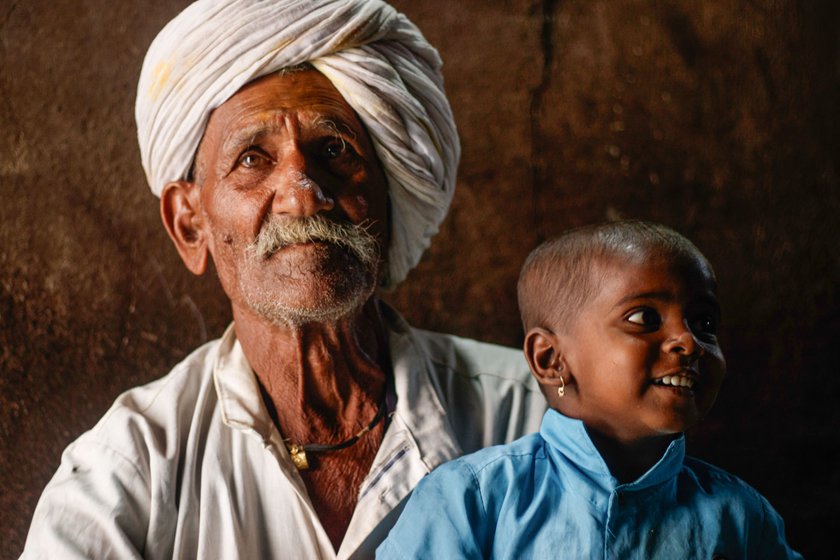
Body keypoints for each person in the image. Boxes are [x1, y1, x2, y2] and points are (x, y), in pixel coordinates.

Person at [21, 1, 546, 558]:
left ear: (389, 202)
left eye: (334, 150)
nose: (302, 193)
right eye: (252, 159)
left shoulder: (531, 420)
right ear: (190, 224)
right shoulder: (129, 473)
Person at [378, 221, 803, 559]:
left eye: (703, 323)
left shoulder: (741, 517)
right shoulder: (471, 500)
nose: (688, 342)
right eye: (644, 319)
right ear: (551, 360)